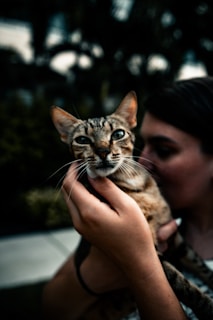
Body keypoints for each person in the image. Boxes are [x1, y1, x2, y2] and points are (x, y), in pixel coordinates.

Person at [42, 76, 213, 320]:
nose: (143, 160)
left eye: (164, 150)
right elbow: (52, 308)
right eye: (142, 143)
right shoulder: (112, 219)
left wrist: (137, 261)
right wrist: (97, 270)